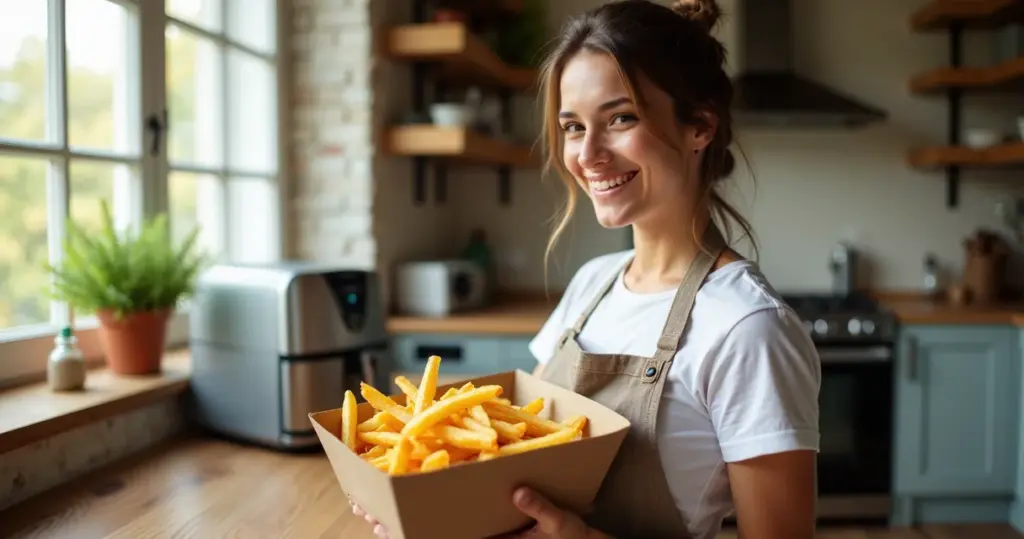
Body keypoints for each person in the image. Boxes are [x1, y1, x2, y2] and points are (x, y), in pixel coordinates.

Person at [350, 0, 821, 537]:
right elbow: (518, 481)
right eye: (573, 126)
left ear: (700, 127)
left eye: (621, 118)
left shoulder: (746, 327)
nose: (589, 154)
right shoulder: (593, 285)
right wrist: (428, 509)